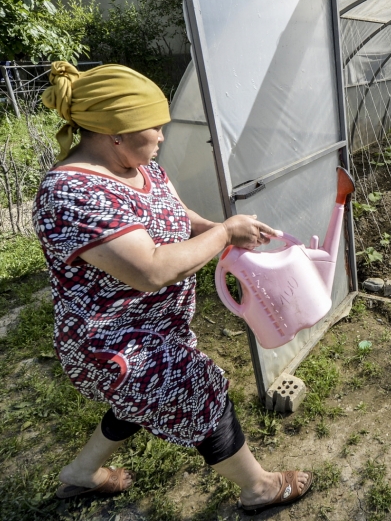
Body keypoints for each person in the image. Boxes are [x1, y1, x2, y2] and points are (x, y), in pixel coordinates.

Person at [33, 62, 312, 513]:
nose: (162, 136)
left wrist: (224, 230)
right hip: (113, 341)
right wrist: (223, 235)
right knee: (196, 386)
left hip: (157, 327)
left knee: (142, 398)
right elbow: (151, 270)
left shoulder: (144, 167)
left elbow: (182, 222)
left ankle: (81, 473)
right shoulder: (73, 193)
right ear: (114, 132)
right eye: (154, 126)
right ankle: (259, 487)